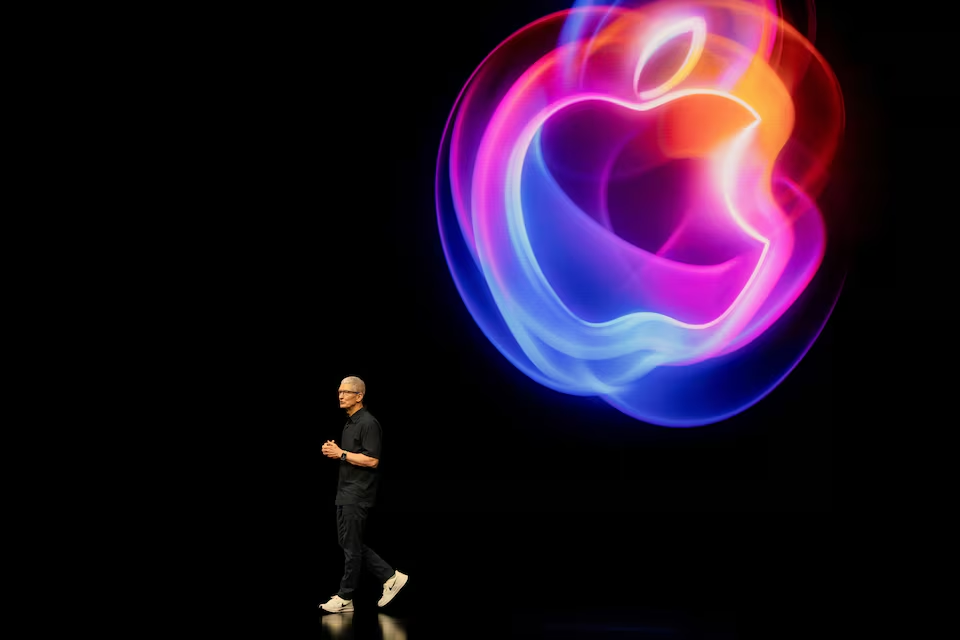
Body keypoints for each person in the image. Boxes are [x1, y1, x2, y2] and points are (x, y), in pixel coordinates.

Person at [319, 376, 408, 614]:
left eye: (346, 392)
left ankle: (346, 595)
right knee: (349, 543)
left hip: (357, 494)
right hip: (345, 492)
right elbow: (349, 454)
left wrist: (341, 454)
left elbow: (372, 459)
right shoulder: (350, 423)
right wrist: (336, 451)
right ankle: (390, 576)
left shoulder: (368, 423)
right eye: (339, 391)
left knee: (350, 546)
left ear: (359, 396)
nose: (340, 395)